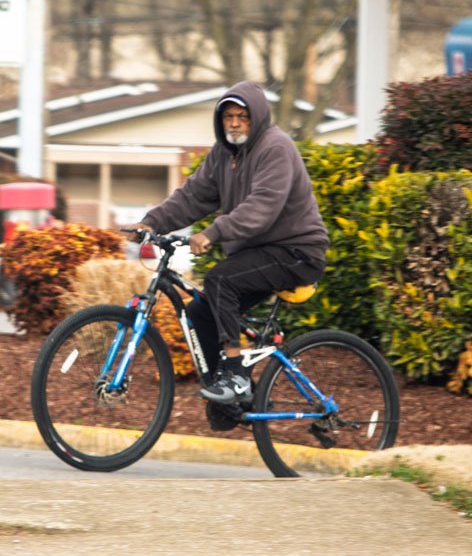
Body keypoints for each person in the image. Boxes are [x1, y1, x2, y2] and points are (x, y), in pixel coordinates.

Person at [134, 81, 328, 430]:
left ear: (257, 118)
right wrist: (152, 222)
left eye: (243, 116)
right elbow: (193, 196)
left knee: (221, 279)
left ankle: (236, 375)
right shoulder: (224, 155)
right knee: (200, 311)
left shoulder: (275, 148)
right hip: (260, 251)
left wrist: (214, 232)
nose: (235, 123)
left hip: (297, 251)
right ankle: (231, 403)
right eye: (228, 117)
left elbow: (262, 206)